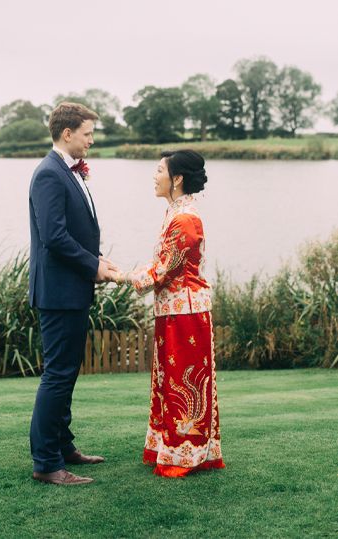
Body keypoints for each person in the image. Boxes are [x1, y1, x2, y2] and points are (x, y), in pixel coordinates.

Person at [111, 150, 224, 477]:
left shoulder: (184, 219)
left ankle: (184, 455)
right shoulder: (177, 213)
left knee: (182, 383)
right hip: (176, 311)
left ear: (177, 179)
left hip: (185, 313)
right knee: (171, 380)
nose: (154, 175)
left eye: (159, 170)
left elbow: (164, 270)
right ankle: (179, 449)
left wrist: (118, 275)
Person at [27, 102, 118, 485]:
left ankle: (64, 447)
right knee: (58, 375)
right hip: (59, 292)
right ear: (67, 134)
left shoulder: (68, 172)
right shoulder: (49, 174)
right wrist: (93, 266)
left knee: (66, 373)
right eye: (87, 133)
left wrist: (96, 260)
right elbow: (54, 236)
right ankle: (47, 463)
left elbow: (75, 232)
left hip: (72, 288)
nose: (91, 140)